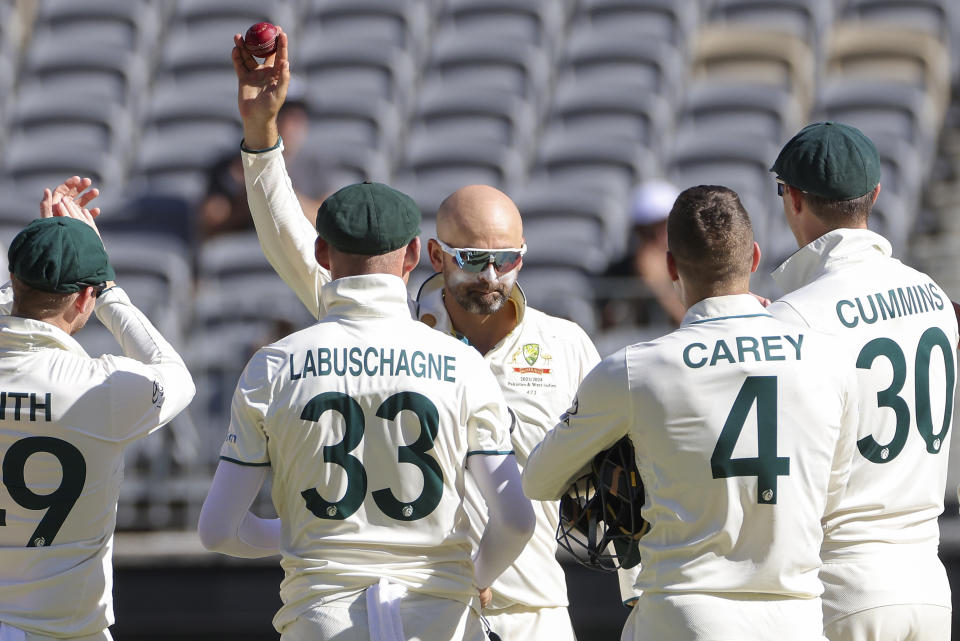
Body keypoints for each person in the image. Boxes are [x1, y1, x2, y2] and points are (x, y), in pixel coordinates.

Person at [231, 28, 601, 640]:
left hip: (532, 616)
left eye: (506, 259)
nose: (490, 275)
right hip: (423, 613)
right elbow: (290, 242)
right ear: (431, 254)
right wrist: (261, 135)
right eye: (470, 258)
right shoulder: (392, 331)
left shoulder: (567, 347)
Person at [197, 181, 535, 641]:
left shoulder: (272, 366)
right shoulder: (463, 364)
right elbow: (516, 521)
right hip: (437, 616)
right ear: (414, 254)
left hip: (321, 617)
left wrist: (307, 534)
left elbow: (218, 531)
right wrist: (475, 576)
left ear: (321, 252)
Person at [523, 185, 862, 641]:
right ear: (755, 257)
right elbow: (833, 495)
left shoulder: (633, 369)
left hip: (683, 615)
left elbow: (537, 480)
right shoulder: (828, 358)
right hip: (796, 618)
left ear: (670, 268)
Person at [766, 121, 958, 641]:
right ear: (874, 195)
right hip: (930, 584)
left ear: (795, 199)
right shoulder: (933, 296)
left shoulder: (794, 317)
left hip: (843, 586)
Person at [0, 178, 196, 641]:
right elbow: (175, 374)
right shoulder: (103, 388)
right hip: (70, 632)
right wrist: (109, 288)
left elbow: (21, 297)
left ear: (13, 280)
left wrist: (41, 257)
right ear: (85, 297)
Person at [601, 179, 686, 328]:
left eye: (666, 226)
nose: (660, 237)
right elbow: (606, 330)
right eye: (648, 230)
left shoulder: (694, 267)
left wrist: (660, 285)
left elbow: (693, 323)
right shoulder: (615, 273)